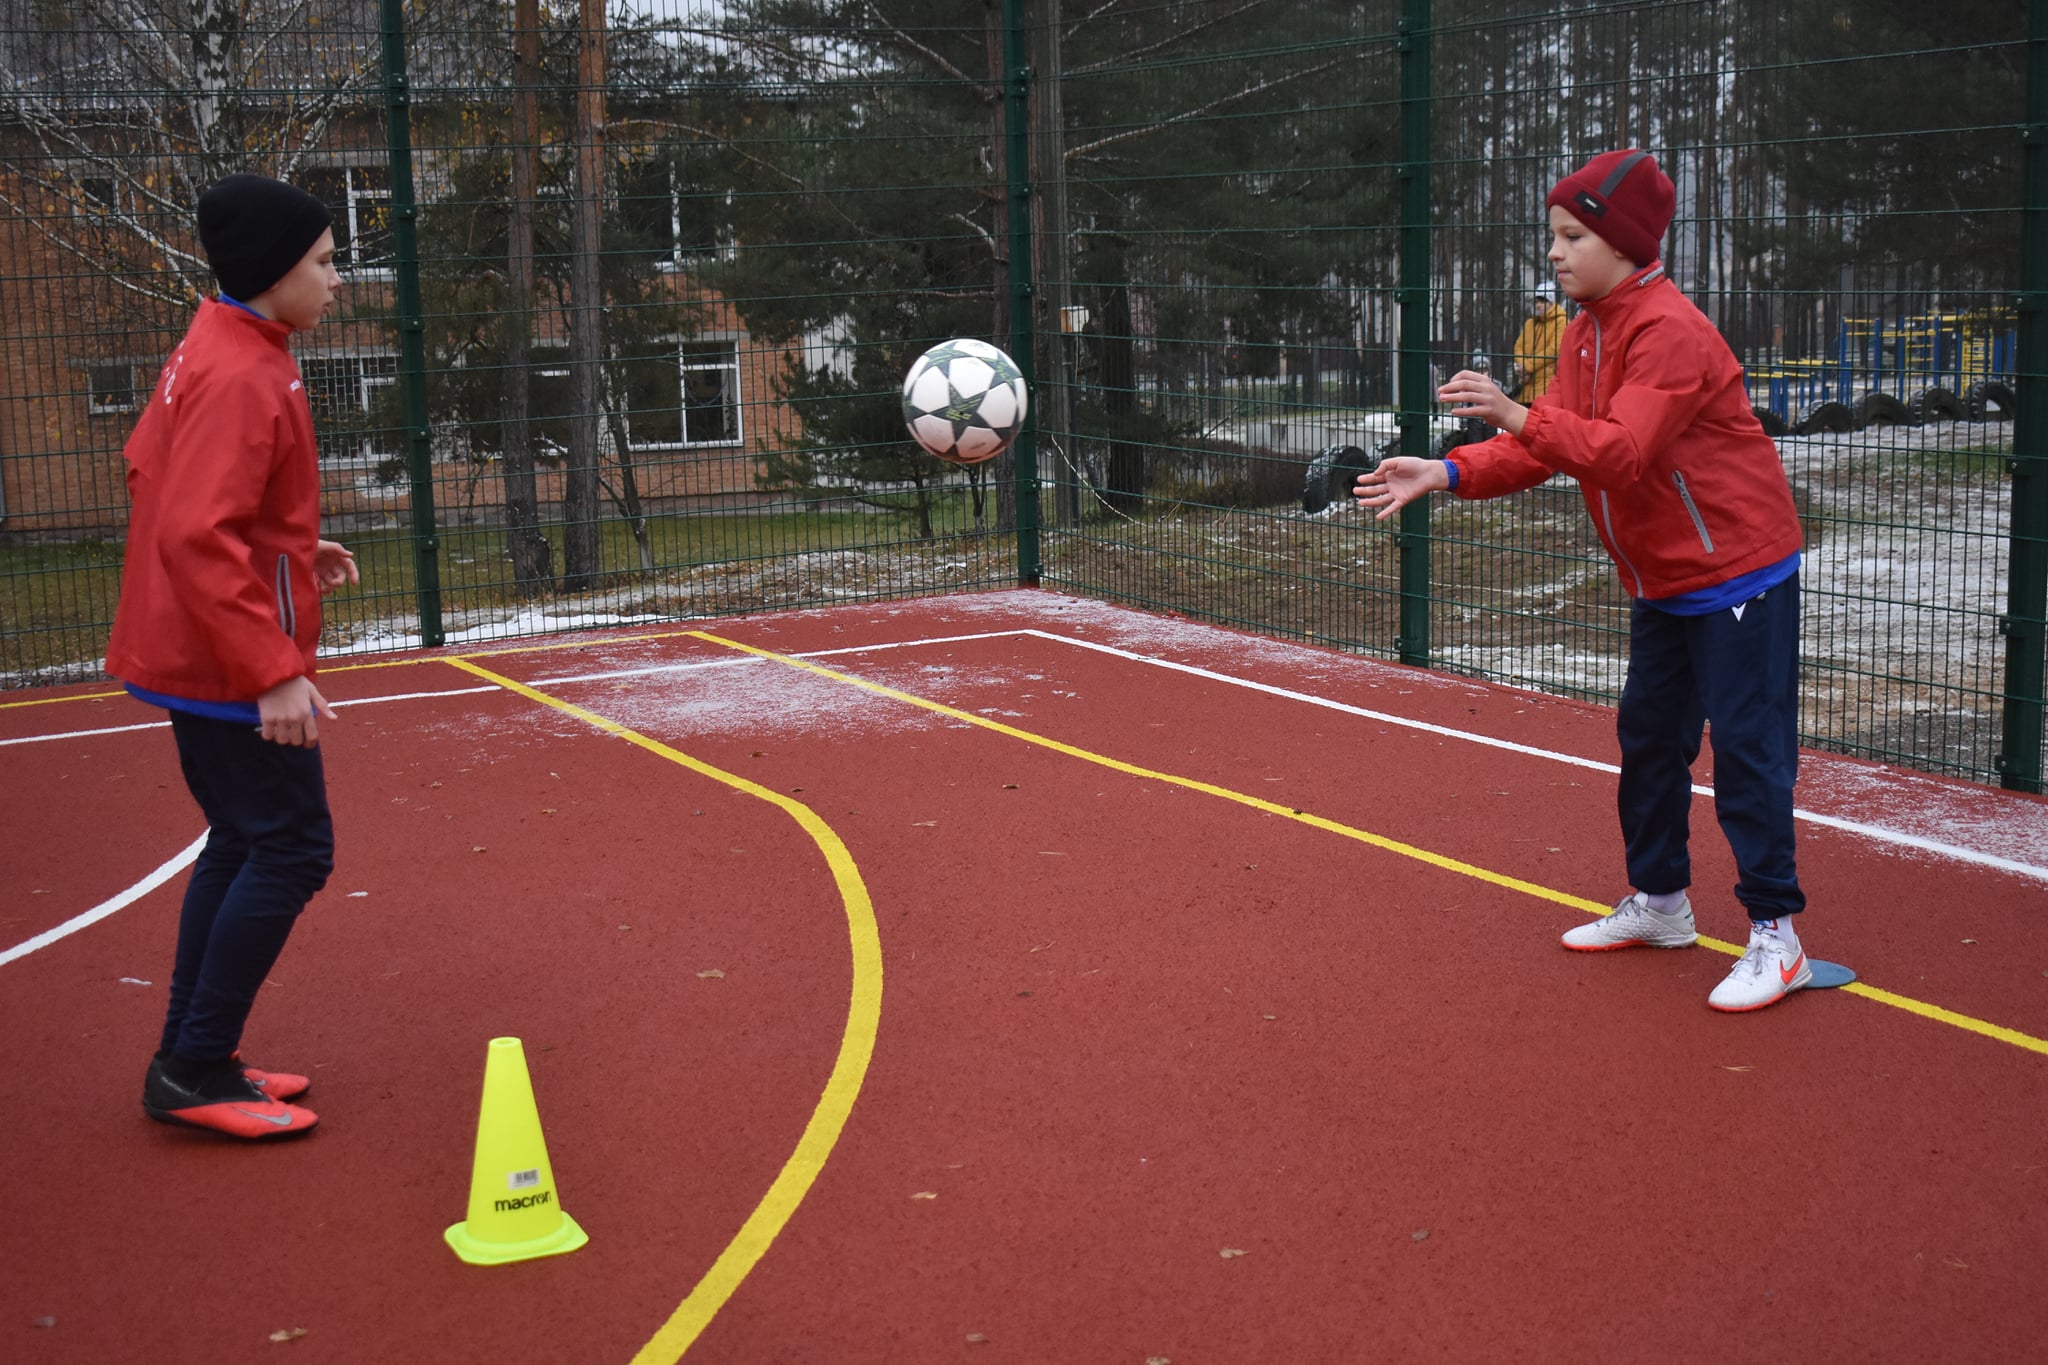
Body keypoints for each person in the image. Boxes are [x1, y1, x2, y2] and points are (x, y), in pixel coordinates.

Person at [1355, 148, 1811, 1013]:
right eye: (1553, 237)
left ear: (1625, 241)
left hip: (1737, 569)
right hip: (1665, 580)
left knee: (1748, 749)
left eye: (1573, 235)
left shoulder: (1669, 331)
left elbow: (1622, 454)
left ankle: (1775, 934)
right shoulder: (1584, 331)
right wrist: (1445, 472)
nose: (1556, 254)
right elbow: (1544, 446)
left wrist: (1519, 411)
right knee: (1648, 738)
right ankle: (1664, 905)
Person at [104, 173, 359, 1137]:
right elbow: (196, 532)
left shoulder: (224, 340)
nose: (336, 278)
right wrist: (272, 666)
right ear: (272, 270)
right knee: (293, 846)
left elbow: (159, 476)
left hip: (198, 641)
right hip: (221, 660)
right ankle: (196, 1062)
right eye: (324, 262)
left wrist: (291, 550)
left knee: (244, 841)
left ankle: (192, 1054)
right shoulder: (244, 372)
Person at [1506, 285, 1568, 401]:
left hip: (1546, 384)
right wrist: (1522, 366)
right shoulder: (1530, 323)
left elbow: (1554, 350)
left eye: (1543, 301)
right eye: (1537, 301)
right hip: (1526, 384)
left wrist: (1527, 366)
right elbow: (1518, 346)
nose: (1538, 305)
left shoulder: (1561, 322)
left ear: (1551, 303)